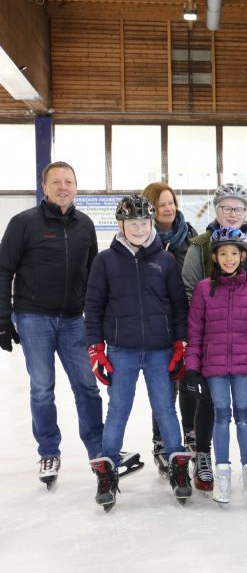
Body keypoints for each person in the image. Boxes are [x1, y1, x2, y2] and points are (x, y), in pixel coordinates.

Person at [0, 161, 103, 488]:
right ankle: (48, 451)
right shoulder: (24, 223)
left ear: (76, 187)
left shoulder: (85, 225)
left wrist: (97, 320)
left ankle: (98, 448)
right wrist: (3, 317)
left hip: (74, 319)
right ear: (44, 187)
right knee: (42, 388)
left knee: (87, 386)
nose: (63, 187)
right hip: (33, 318)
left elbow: (94, 276)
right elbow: (3, 269)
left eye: (68, 181)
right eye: (56, 182)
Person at [84, 195, 191, 508]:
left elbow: (179, 305)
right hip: (122, 350)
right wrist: (96, 348)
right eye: (132, 223)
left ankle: (177, 465)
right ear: (121, 224)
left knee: (165, 408)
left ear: (151, 223)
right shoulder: (105, 261)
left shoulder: (166, 260)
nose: (139, 228)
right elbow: (93, 305)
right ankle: (107, 470)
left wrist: (180, 343)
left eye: (144, 222)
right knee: (118, 408)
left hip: (160, 349)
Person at [182, 183, 247, 492]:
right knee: (210, 402)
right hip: (212, 339)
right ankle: (204, 458)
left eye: (238, 208)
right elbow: (190, 289)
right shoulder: (200, 246)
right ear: (216, 209)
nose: (232, 213)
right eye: (226, 208)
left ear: (246, 211)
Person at [142, 181, 198, 475]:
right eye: (161, 204)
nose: (168, 208)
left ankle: (191, 434)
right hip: (157, 323)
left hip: (188, 320)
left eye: (171, 202)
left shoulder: (190, 235)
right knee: (164, 387)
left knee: (189, 380)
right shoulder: (141, 237)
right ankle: (162, 441)